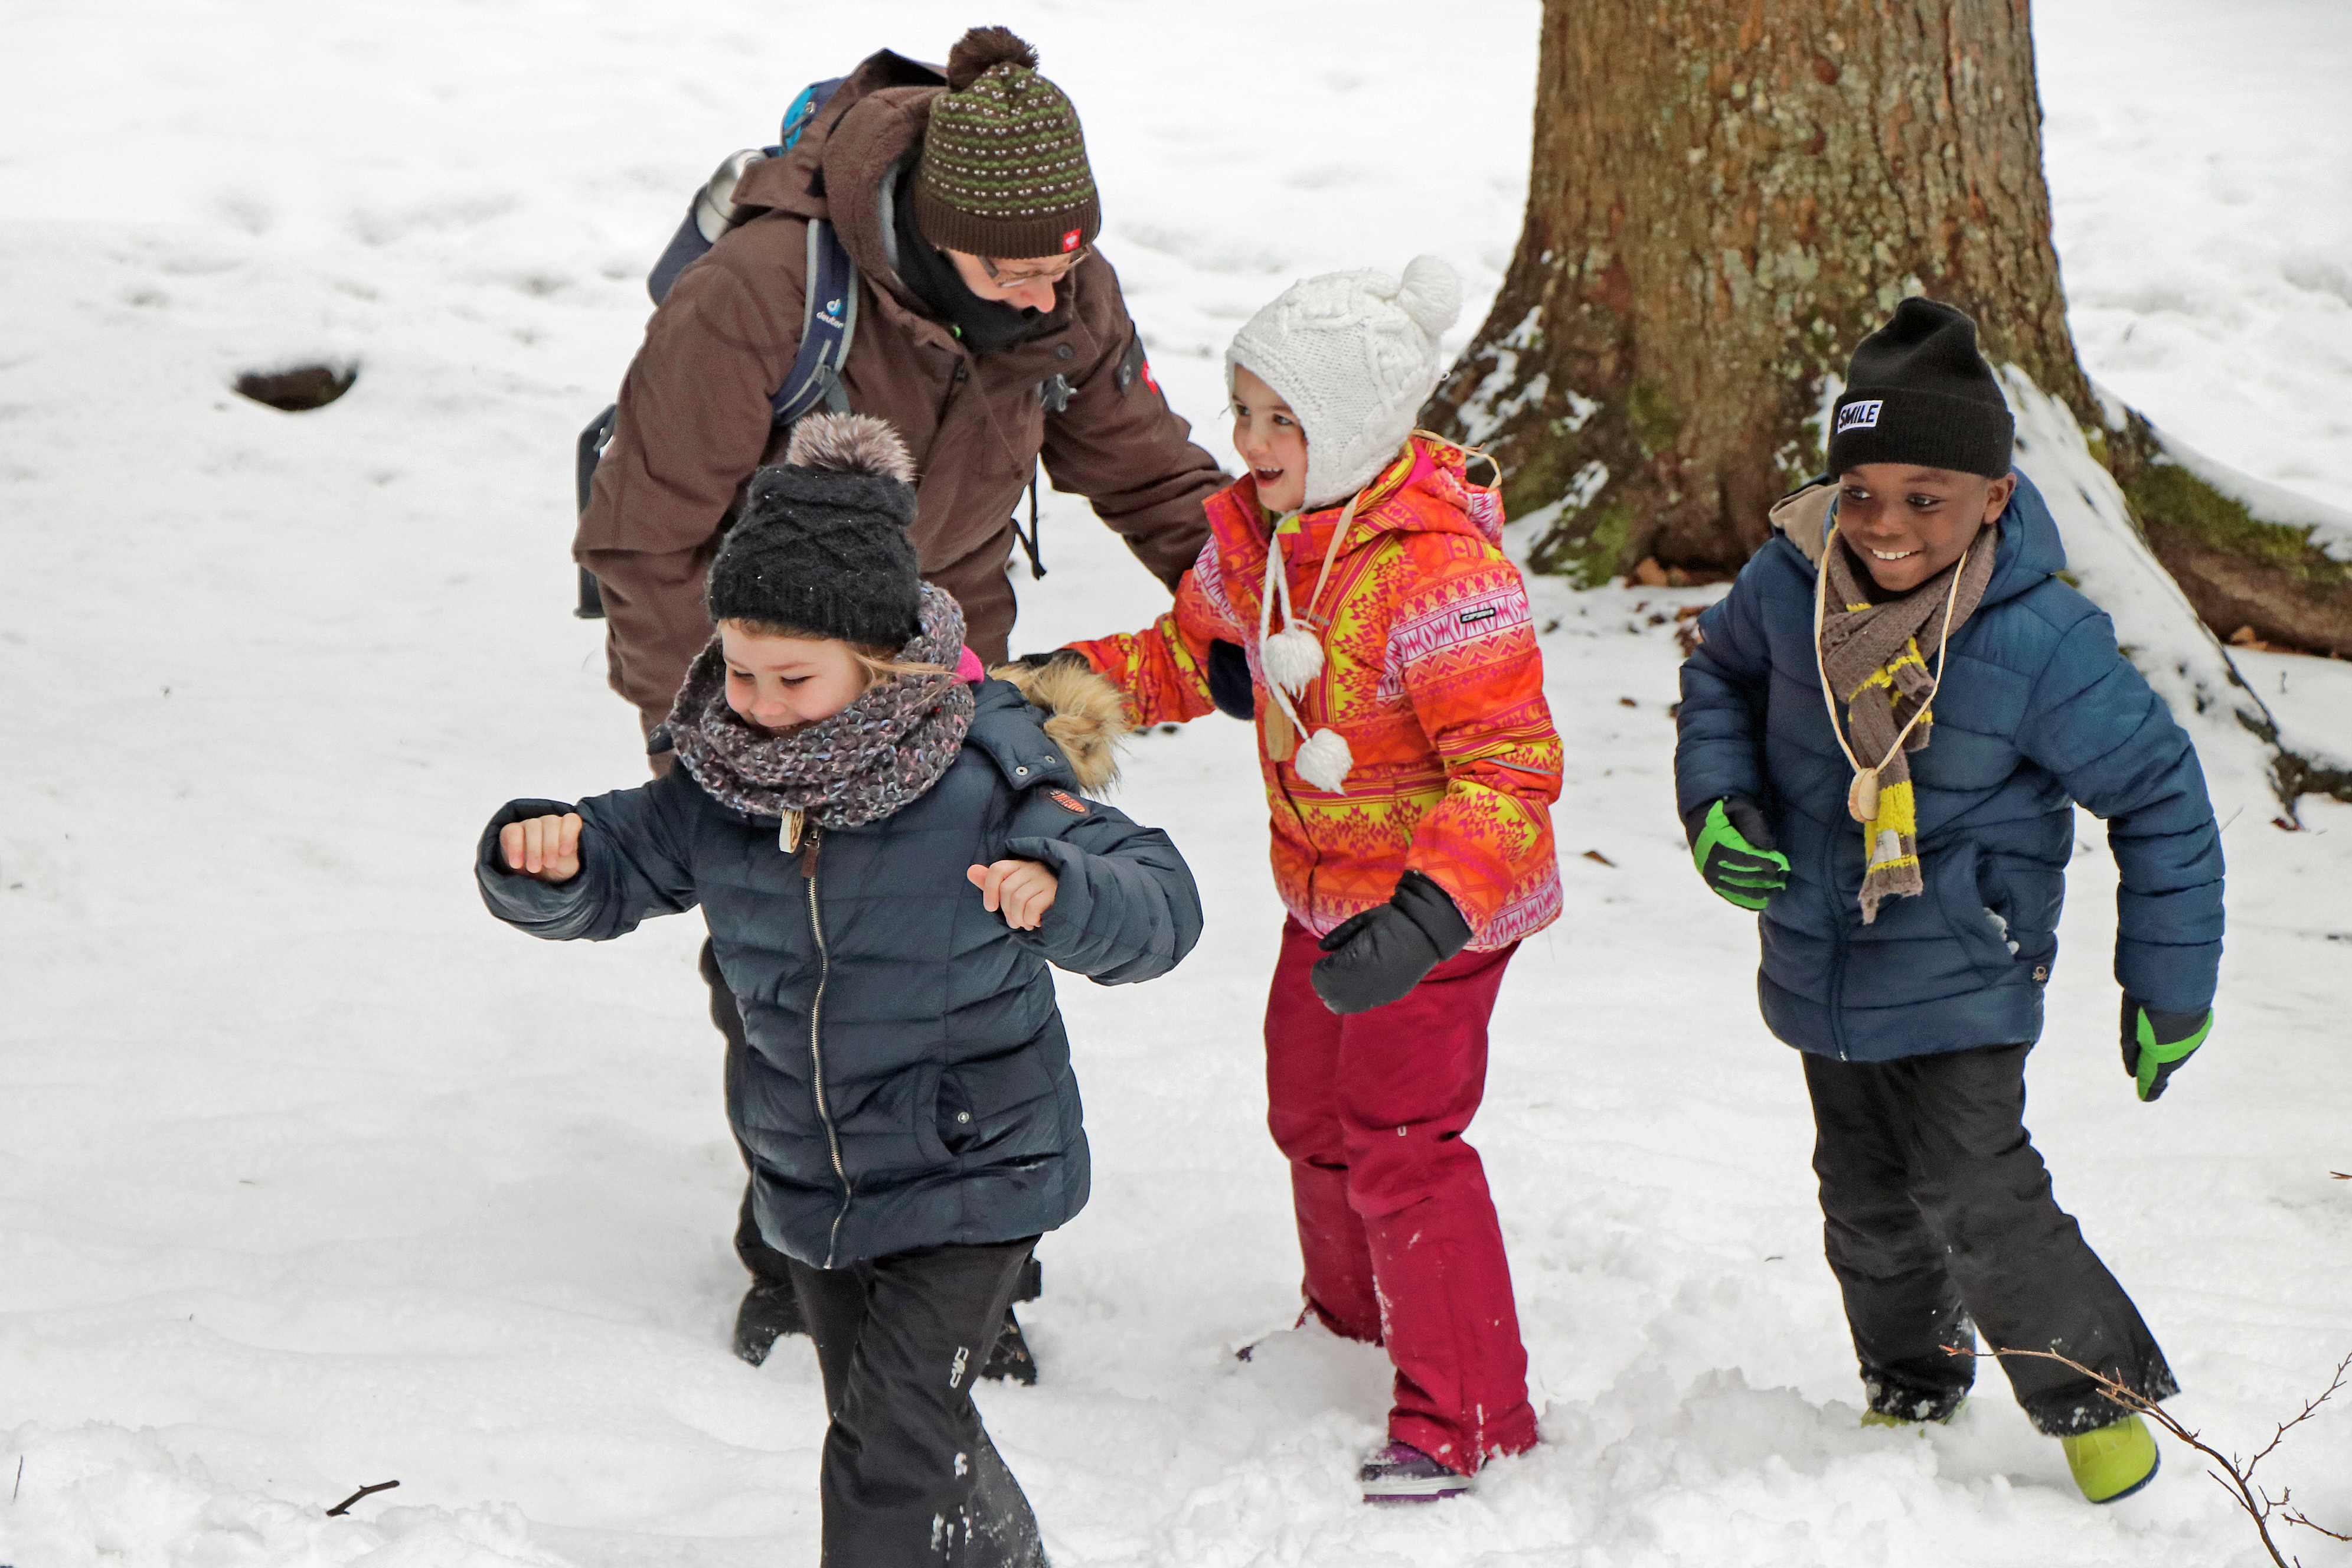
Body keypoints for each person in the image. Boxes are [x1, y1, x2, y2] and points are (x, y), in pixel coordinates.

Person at [576, 25, 1227, 1366]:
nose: (1047, 301)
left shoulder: (1065, 298)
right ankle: (796, 1245)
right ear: (934, 231)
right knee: (786, 969)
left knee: (960, 964)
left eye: (1065, 268)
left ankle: (959, 1264)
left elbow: (1156, 479)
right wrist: (689, 730)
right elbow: (643, 537)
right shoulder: (763, 291)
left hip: (948, 671)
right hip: (767, 687)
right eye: (1014, 272)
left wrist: (1273, 604)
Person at [483, 414, 1203, 1565]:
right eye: (740, 668)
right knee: (910, 1432)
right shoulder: (726, 781)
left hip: (971, 1168)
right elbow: (621, 859)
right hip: (814, 1180)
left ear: (880, 662)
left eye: (793, 677)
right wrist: (549, 857)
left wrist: (1063, 891)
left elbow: (1159, 900)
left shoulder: (985, 772)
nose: (757, 701)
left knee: (885, 1454)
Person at [1674, 297, 2224, 1505]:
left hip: (1966, 963)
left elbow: (2162, 797)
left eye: (1928, 495)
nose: (1885, 524)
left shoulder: (2042, 641)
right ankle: (1912, 1380)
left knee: (1978, 1187)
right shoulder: (1785, 585)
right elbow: (1716, 679)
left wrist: (2170, 981)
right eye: (1861, 491)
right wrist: (1718, 809)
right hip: (1822, 956)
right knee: (1862, 1197)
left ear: (1995, 499)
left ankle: (2097, 1398)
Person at [1046, 257, 1565, 1503]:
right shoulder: (1262, 538)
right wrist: (1059, 687)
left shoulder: (1442, 572)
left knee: (1402, 1137)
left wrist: (1428, 917)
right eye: (1242, 408)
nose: (1251, 438)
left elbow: (1509, 771)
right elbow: (1186, 652)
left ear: (1357, 428)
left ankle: (1473, 1409)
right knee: (1311, 1116)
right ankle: (1347, 1327)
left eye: (1284, 418)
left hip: (1446, 905)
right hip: (1327, 889)